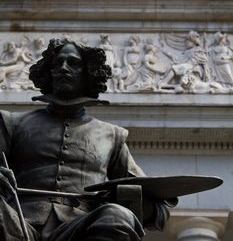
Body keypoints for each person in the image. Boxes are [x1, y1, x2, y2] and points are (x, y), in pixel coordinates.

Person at [0, 37, 175, 241]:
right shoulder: (12, 123)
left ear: (89, 73)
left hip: (79, 229)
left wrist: (130, 198)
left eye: (73, 63)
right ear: (49, 72)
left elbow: (157, 207)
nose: (63, 68)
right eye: (57, 64)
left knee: (117, 217)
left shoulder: (112, 135)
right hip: (18, 225)